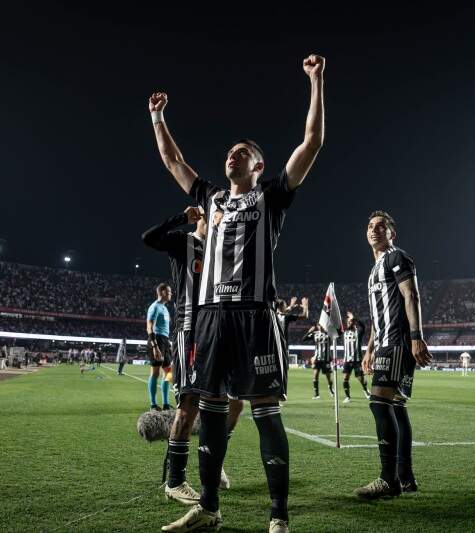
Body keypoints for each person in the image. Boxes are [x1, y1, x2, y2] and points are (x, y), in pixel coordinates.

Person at [150, 53, 325, 533]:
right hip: (210, 316)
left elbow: (312, 142)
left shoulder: (272, 195)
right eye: (229, 152)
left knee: (266, 414)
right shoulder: (209, 197)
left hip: (255, 317)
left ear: (259, 163)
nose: (232, 156)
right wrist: (158, 117)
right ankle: (208, 508)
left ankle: (279, 517)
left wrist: (316, 80)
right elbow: (172, 160)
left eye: (242, 152)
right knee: (209, 410)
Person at [143, 206, 243, 504]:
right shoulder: (185, 242)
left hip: (221, 333)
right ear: (203, 216)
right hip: (191, 332)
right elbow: (149, 238)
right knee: (189, 405)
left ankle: (215, 462)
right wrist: (179, 218)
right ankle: (175, 481)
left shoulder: (225, 249)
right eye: (217, 211)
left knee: (233, 403)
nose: (222, 216)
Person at [358, 210, 432, 499]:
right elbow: (379, 316)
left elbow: (411, 296)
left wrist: (416, 338)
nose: (374, 230)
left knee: (379, 403)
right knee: (397, 407)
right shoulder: (374, 270)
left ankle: (388, 479)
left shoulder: (396, 257)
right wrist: (369, 349)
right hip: (385, 341)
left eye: (381, 226)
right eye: (370, 226)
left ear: (392, 233)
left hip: (398, 341)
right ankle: (406, 477)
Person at [146, 283, 173, 411]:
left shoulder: (165, 308)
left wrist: (168, 344)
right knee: (155, 373)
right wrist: (155, 346)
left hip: (165, 341)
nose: (171, 294)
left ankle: (166, 404)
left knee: (168, 372)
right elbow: (149, 327)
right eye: (169, 291)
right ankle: (153, 404)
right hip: (157, 340)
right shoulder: (155, 307)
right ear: (162, 292)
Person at [342, 312, 369, 402]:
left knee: (360, 379)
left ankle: (365, 390)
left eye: (350, 321)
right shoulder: (344, 332)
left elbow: (363, 326)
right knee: (345, 378)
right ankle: (347, 397)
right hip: (347, 360)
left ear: (354, 322)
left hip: (357, 360)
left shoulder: (359, 332)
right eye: (348, 322)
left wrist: (354, 318)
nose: (349, 323)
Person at [303, 324, 334, 399]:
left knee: (328, 377)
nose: (321, 326)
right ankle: (316, 394)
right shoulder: (315, 334)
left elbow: (336, 337)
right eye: (319, 325)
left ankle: (330, 389)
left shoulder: (329, 334)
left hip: (326, 360)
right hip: (317, 359)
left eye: (322, 325)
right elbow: (304, 339)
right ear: (318, 326)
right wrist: (309, 332)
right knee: (315, 376)